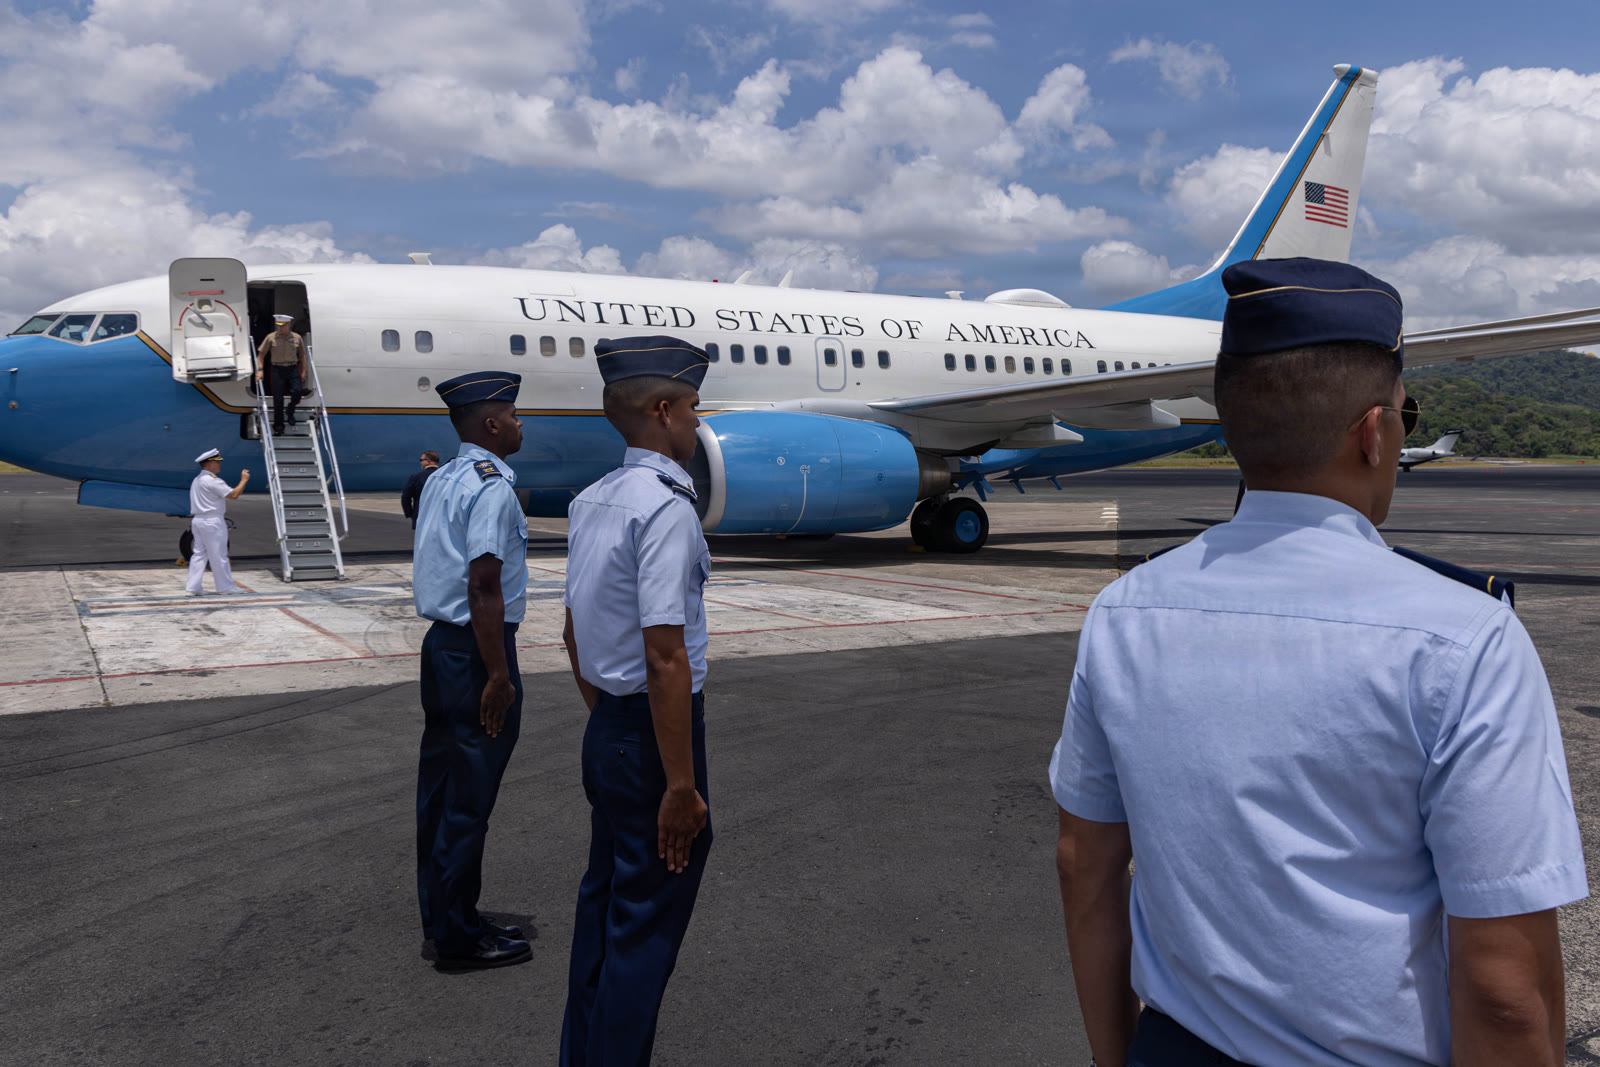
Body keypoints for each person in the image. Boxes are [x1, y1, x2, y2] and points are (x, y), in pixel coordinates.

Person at [1050, 258, 1587, 1067]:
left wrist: (1117, 1056)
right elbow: (1507, 992)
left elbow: (1084, 868)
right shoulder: (1465, 638)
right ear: (1375, 432)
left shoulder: (1124, 613)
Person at [560, 335, 713, 1067]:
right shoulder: (667, 508)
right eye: (690, 407)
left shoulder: (593, 500)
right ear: (663, 410)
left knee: (604, 914)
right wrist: (678, 783)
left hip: (611, 729)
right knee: (645, 931)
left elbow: (571, 631)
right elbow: (664, 654)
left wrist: (610, 720)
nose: (695, 421)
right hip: (653, 744)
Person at [411, 371, 531, 970]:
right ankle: (459, 939)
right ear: (491, 425)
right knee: (469, 796)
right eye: (513, 414)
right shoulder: (492, 488)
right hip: (476, 651)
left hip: (442, 648)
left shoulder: (443, 478)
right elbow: (484, 585)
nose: (520, 422)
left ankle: (444, 915)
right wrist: (499, 677)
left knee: (439, 791)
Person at [186, 448, 248, 595]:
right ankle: (225, 587)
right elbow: (233, 495)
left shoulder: (197, 480)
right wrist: (244, 480)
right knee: (219, 555)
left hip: (198, 520)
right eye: (216, 462)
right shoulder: (212, 480)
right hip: (212, 521)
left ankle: (193, 588)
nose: (219, 465)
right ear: (209, 464)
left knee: (199, 555)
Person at [255, 313, 307, 435]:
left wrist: (304, 371)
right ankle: (279, 425)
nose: (280, 328)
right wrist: (260, 370)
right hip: (277, 369)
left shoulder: (296, 337)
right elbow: (261, 355)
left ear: (288, 325)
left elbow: (302, 355)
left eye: (283, 326)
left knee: (297, 391)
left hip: (292, 368)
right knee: (278, 399)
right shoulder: (271, 337)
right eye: (278, 326)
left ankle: (290, 410)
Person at [401, 451, 442, 529]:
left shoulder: (416, 477)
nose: (420, 463)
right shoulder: (447, 476)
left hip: (421, 517)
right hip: (440, 518)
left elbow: (406, 497)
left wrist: (410, 514)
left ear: (428, 461)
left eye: (421, 460)